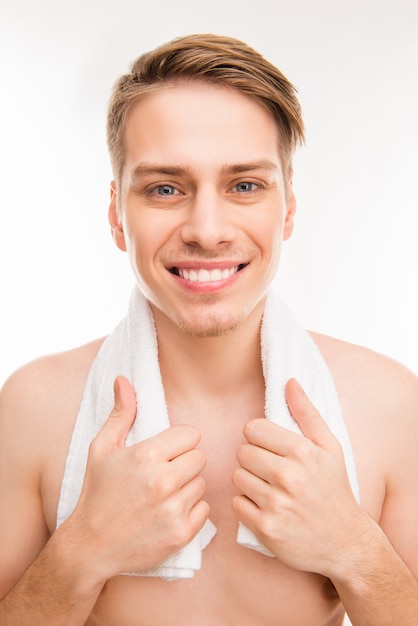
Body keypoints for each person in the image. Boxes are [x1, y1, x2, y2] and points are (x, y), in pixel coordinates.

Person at [0, 33, 417, 626]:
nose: (207, 228)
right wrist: (81, 551)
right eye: (165, 188)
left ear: (288, 208)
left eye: (244, 185)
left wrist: (355, 548)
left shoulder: (387, 404)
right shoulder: (34, 407)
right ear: (118, 214)